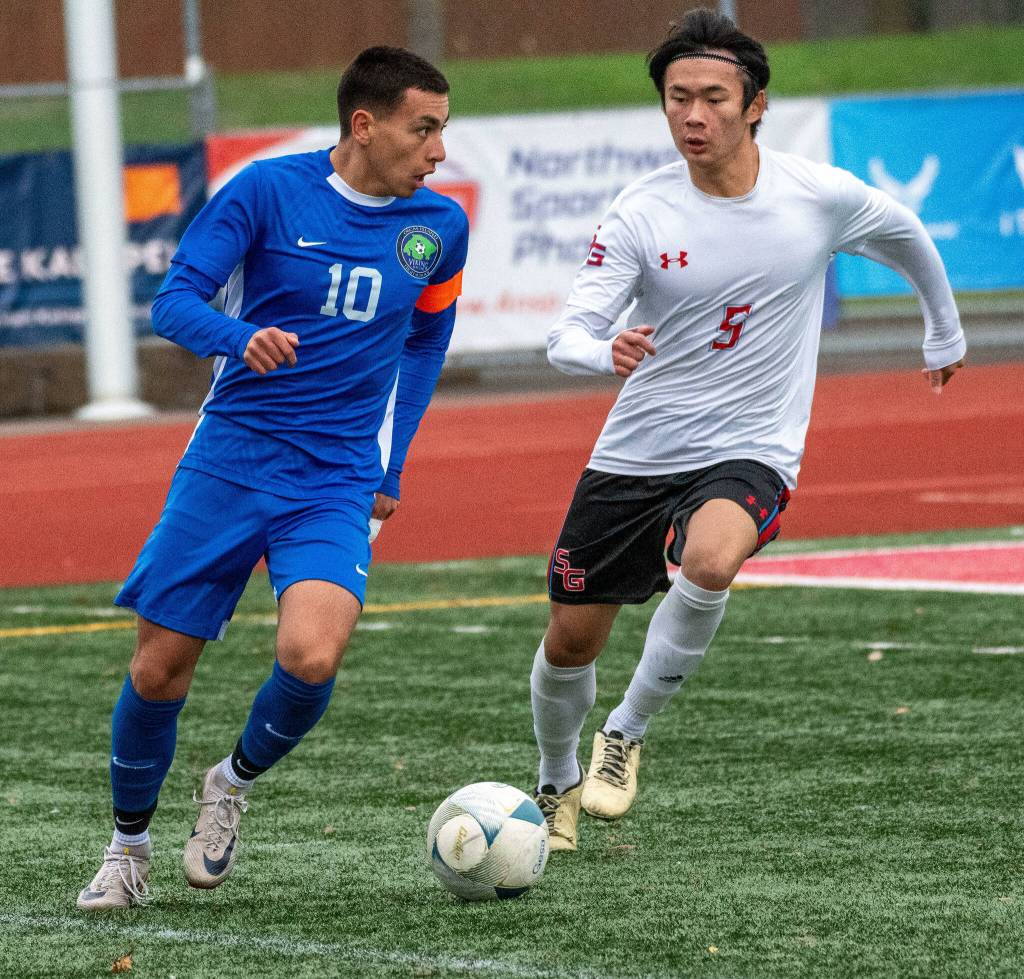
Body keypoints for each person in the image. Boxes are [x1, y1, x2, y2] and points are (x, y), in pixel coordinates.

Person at [529, 8, 965, 851]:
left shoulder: (816, 196)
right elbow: (567, 333)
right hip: (636, 451)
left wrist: (942, 329)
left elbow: (905, 231)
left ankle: (626, 730)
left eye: (713, 99)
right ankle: (555, 780)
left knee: (712, 558)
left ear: (754, 105)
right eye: (677, 99)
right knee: (568, 642)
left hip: (752, 446)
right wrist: (601, 350)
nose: (693, 116)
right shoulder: (639, 214)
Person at [77, 46, 469, 910]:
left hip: (334, 477)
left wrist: (390, 465)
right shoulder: (265, 191)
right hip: (231, 460)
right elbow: (175, 299)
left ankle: (230, 782)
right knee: (158, 668)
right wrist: (235, 337)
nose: (438, 151)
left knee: (313, 652)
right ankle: (128, 847)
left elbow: (427, 340)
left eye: (442, 130)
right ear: (364, 126)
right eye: (424, 129)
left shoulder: (439, 228)